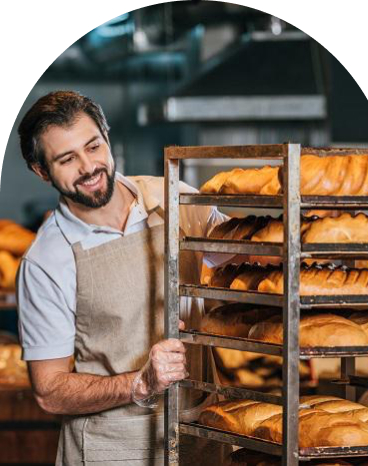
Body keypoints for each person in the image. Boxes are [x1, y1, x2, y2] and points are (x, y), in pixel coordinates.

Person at [16, 91, 230, 465]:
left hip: (200, 436)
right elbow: (49, 390)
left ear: (107, 137)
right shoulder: (47, 261)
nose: (88, 166)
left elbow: (244, 258)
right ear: (41, 171)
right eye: (67, 159)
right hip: (110, 449)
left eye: (94, 146)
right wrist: (141, 383)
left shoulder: (172, 198)